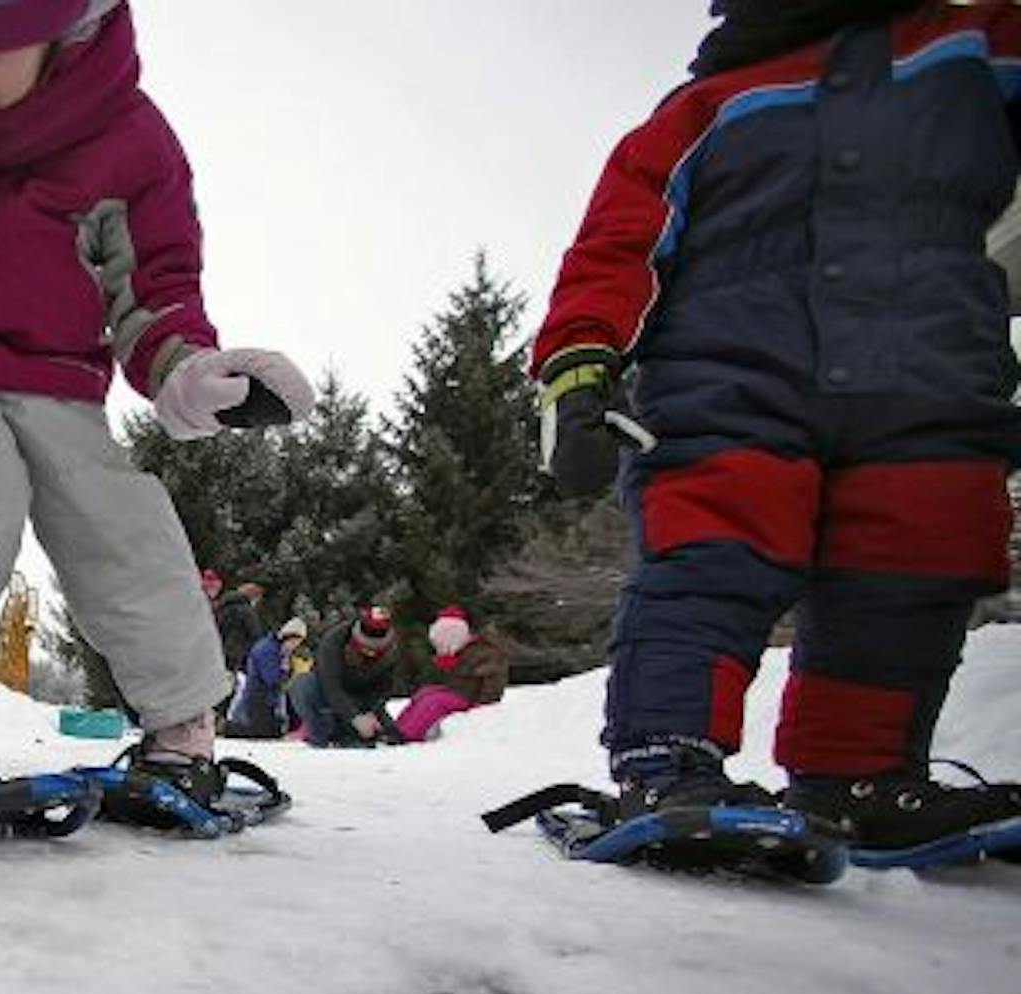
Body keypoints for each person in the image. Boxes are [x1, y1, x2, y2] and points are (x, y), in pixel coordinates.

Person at [532, 0, 1021, 855]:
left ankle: (856, 774)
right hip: (728, 383)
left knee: (912, 562)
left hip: (930, 380)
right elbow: (613, 246)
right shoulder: (704, 108)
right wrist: (579, 367)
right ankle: (667, 753)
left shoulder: (975, 44)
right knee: (713, 558)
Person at [0, 0, 314, 815]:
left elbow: (154, 290)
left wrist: (187, 373)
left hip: (54, 370)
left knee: (109, 509)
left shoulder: (127, 142)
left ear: (63, 34)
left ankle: (182, 728)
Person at [289, 606, 402, 749]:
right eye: (365, 648)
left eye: (375, 651)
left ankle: (354, 733)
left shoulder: (392, 650)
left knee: (391, 733)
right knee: (302, 685)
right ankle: (321, 736)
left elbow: (385, 688)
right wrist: (354, 717)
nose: (370, 654)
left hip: (363, 699)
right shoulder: (334, 640)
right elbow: (330, 685)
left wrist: (371, 712)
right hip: (328, 696)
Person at [394, 606, 507, 742]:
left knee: (435, 701)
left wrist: (484, 705)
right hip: (458, 691)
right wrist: (445, 666)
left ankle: (409, 733)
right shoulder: (461, 650)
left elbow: (493, 681)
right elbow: (447, 679)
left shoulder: (484, 653)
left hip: (472, 698)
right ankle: (397, 727)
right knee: (424, 693)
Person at [227, 618, 310, 740]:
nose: (295, 646)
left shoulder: (279, 650)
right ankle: (226, 727)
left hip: (268, 700)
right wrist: (290, 672)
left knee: (271, 731)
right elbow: (273, 679)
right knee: (261, 732)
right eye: (294, 642)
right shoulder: (267, 650)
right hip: (258, 699)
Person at [214, 580, 271, 679]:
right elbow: (256, 636)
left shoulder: (221, 607)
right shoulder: (246, 612)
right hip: (238, 658)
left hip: (217, 653)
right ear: (254, 597)